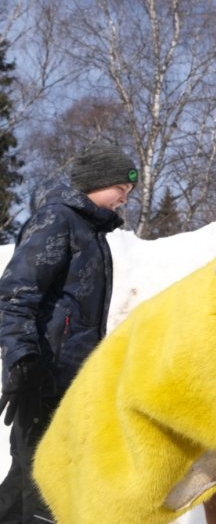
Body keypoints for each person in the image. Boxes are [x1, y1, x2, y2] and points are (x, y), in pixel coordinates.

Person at [0, 144, 137, 522]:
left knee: (28, 481)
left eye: (127, 195)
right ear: (95, 183)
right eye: (119, 191)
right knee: (47, 480)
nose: (123, 201)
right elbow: (16, 294)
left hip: (69, 379)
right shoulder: (58, 220)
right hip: (42, 375)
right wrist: (22, 362)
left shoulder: (93, 234)